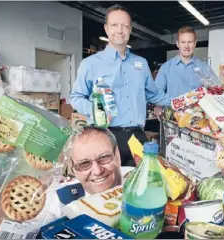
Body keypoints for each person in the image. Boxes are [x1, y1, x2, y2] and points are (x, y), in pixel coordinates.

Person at [69, 5, 172, 166]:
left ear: (130, 29)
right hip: (104, 135)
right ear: (106, 28)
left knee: (140, 186)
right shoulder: (90, 64)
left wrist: (180, 102)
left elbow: (154, 94)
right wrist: (95, 110)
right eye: (114, 25)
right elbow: (75, 97)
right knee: (108, 187)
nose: (120, 30)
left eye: (124, 26)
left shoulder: (141, 63)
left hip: (137, 136)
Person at [44, 127, 134, 225]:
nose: (97, 171)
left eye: (104, 157)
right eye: (84, 163)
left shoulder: (142, 182)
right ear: (72, 167)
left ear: (117, 154)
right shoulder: (61, 198)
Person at [155, 26, 218, 98]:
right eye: (183, 42)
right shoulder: (166, 68)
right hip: (173, 109)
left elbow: (216, 89)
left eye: (190, 42)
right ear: (178, 44)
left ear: (194, 43)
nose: (186, 46)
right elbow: (157, 94)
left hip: (198, 109)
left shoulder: (204, 67)